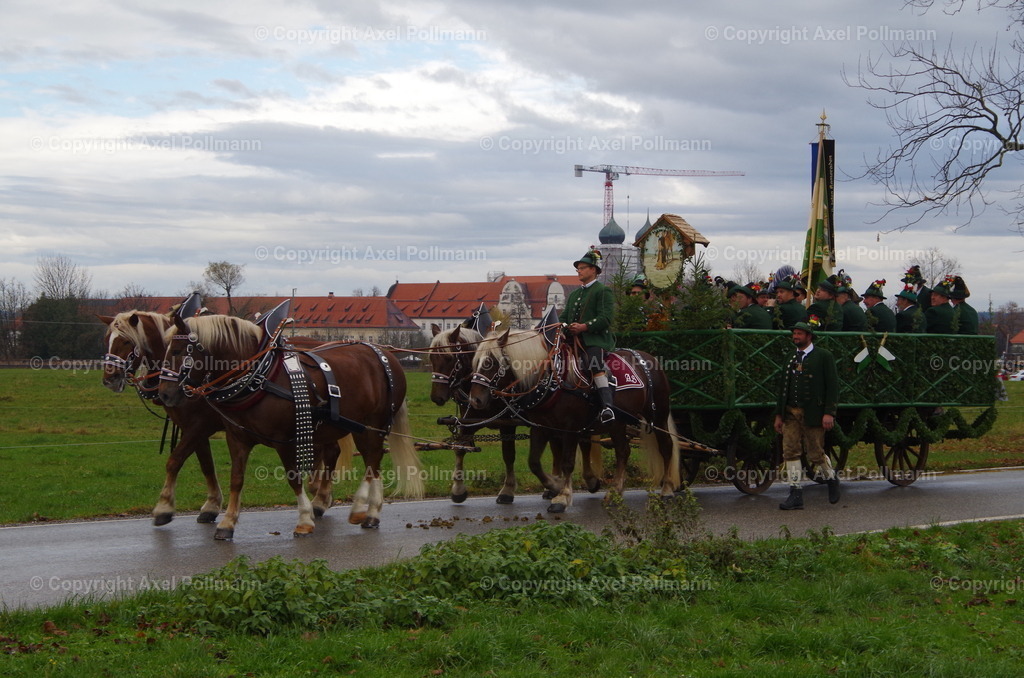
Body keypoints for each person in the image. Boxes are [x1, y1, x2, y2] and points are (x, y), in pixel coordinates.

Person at [774, 317, 840, 509]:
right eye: (794, 333)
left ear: (809, 336)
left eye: (799, 334)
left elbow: (833, 386)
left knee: (815, 453)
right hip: (790, 412)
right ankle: (795, 493)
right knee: (790, 451)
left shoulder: (823, 356)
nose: (795, 336)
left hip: (813, 412)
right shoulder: (790, 357)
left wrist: (829, 413)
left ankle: (831, 479)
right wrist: (779, 415)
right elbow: (783, 388)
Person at [561, 247, 616, 423]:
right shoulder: (574, 294)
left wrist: (584, 327)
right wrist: (563, 327)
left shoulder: (602, 290)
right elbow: (564, 317)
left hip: (595, 340)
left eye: (582, 268)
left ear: (593, 270)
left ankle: (607, 407)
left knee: (594, 363)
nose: (579, 271)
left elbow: (606, 318)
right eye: (578, 268)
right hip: (572, 340)